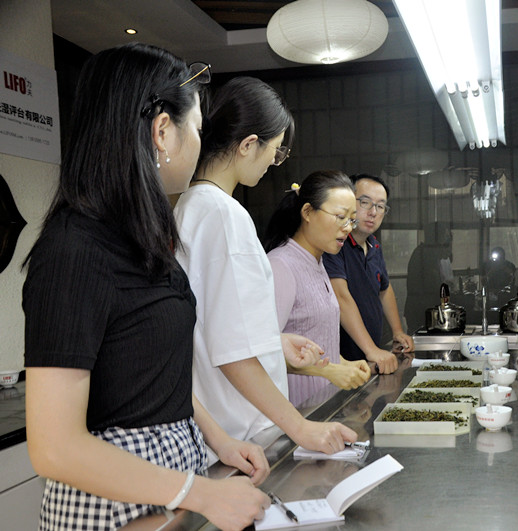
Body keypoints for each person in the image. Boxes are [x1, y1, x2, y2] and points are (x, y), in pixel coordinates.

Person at [23, 43, 270, 531]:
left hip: (173, 482)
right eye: (197, 129)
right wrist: (200, 493)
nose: (200, 144)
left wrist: (218, 441)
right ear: (162, 131)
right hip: (114, 502)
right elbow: (55, 447)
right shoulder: (74, 249)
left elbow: (155, 370)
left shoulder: (142, 235)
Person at [174, 77, 357, 456]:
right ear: (248, 145)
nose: (274, 165)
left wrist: (274, 345)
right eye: (275, 152)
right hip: (242, 431)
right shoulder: (225, 215)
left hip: (216, 427)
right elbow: (232, 350)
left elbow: (210, 327)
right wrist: (300, 426)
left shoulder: (188, 208)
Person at [265, 171, 371, 406]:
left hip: (322, 406)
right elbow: (265, 350)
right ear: (307, 213)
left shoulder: (317, 261)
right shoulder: (281, 265)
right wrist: (328, 371)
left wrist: (343, 364)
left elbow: (314, 335)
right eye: (340, 216)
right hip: (296, 408)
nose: (347, 227)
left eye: (351, 219)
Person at [322, 174, 414, 374]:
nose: (373, 212)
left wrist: (397, 331)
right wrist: (372, 350)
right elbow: (341, 297)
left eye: (380, 206)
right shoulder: (335, 243)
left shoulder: (374, 245)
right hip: (340, 361)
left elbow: (385, 288)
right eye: (365, 202)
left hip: (370, 357)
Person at [404, 222, 453, 333]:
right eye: (443, 236)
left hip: (423, 309)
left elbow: (446, 255)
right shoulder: (425, 254)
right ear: (435, 236)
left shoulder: (427, 252)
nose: (444, 239)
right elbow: (433, 284)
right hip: (420, 310)